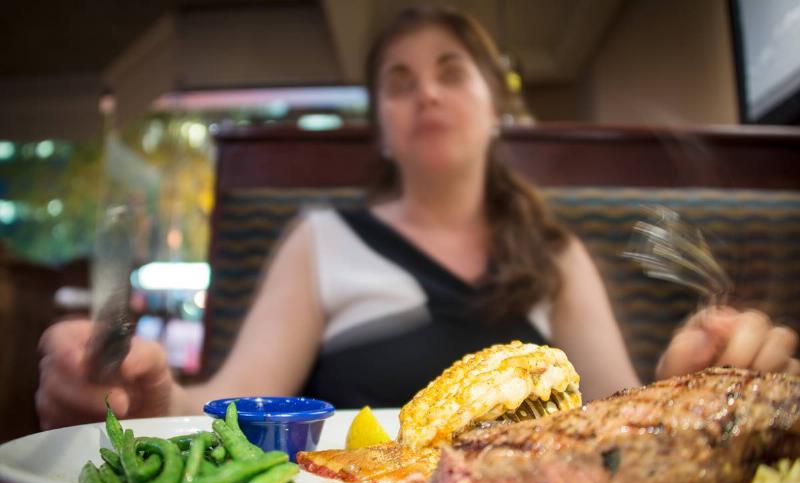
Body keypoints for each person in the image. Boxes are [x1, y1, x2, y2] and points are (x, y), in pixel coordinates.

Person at [36, 6, 799, 429]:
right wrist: (156, 398)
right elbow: (239, 400)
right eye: (399, 82)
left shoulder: (553, 250)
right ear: (383, 128)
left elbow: (611, 411)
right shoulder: (319, 241)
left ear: (495, 109)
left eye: (449, 72)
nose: (426, 94)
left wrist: (687, 386)